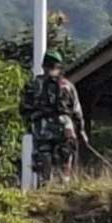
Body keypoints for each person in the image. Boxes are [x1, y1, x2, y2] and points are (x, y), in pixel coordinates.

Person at [21, 52, 84, 185]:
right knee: (65, 160)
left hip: (41, 129)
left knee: (44, 162)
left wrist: (31, 122)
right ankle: (64, 186)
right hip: (64, 127)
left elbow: (23, 109)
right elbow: (76, 110)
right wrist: (81, 130)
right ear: (59, 67)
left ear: (43, 66)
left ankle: (45, 187)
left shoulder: (32, 85)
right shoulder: (67, 86)